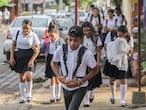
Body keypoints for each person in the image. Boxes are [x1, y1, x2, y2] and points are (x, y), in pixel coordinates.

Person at [51, 25, 99, 110]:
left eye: (76, 41)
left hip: (80, 86)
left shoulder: (86, 53)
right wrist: (59, 76)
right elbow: (53, 63)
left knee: (72, 108)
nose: (72, 43)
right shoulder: (61, 49)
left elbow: (95, 69)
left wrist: (82, 80)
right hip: (66, 85)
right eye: (70, 40)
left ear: (81, 40)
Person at [10, 19, 40, 103]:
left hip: (29, 56)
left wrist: (32, 60)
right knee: (21, 76)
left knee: (28, 75)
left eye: (27, 28)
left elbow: (37, 50)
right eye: (24, 28)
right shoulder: (17, 33)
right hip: (20, 56)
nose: (25, 30)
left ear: (30, 27)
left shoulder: (33, 35)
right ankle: (22, 96)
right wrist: (11, 57)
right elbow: (12, 46)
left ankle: (29, 93)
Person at [105, 25, 131, 107]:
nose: (121, 34)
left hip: (123, 62)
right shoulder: (111, 35)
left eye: (123, 33)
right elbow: (106, 45)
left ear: (126, 33)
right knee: (112, 79)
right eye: (119, 32)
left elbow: (130, 49)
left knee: (123, 79)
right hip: (112, 60)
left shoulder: (129, 38)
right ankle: (113, 96)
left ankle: (122, 100)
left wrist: (123, 50)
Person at [41, 25, 64, 103]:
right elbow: (41, 49)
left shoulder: (60, 41)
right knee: (52, 78)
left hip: (58, 60)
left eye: (52, 36)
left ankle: (58, 95)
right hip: (50, 59)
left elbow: (64, 51)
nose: (51, 37)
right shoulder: (47, 42)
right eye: (49, 36)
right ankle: (52, 96)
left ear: (56, 33)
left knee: (58, 77)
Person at [81, 22, 102, 107]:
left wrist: (98, 61)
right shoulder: (81, 38)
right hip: (83, 59)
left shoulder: (96, 37)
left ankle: (91, 92)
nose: (86, 32)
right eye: (85, 30)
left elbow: (98, 50)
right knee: (85, 78)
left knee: (92, 78)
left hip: (93, 58)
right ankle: (86, 99)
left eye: (88, 30)